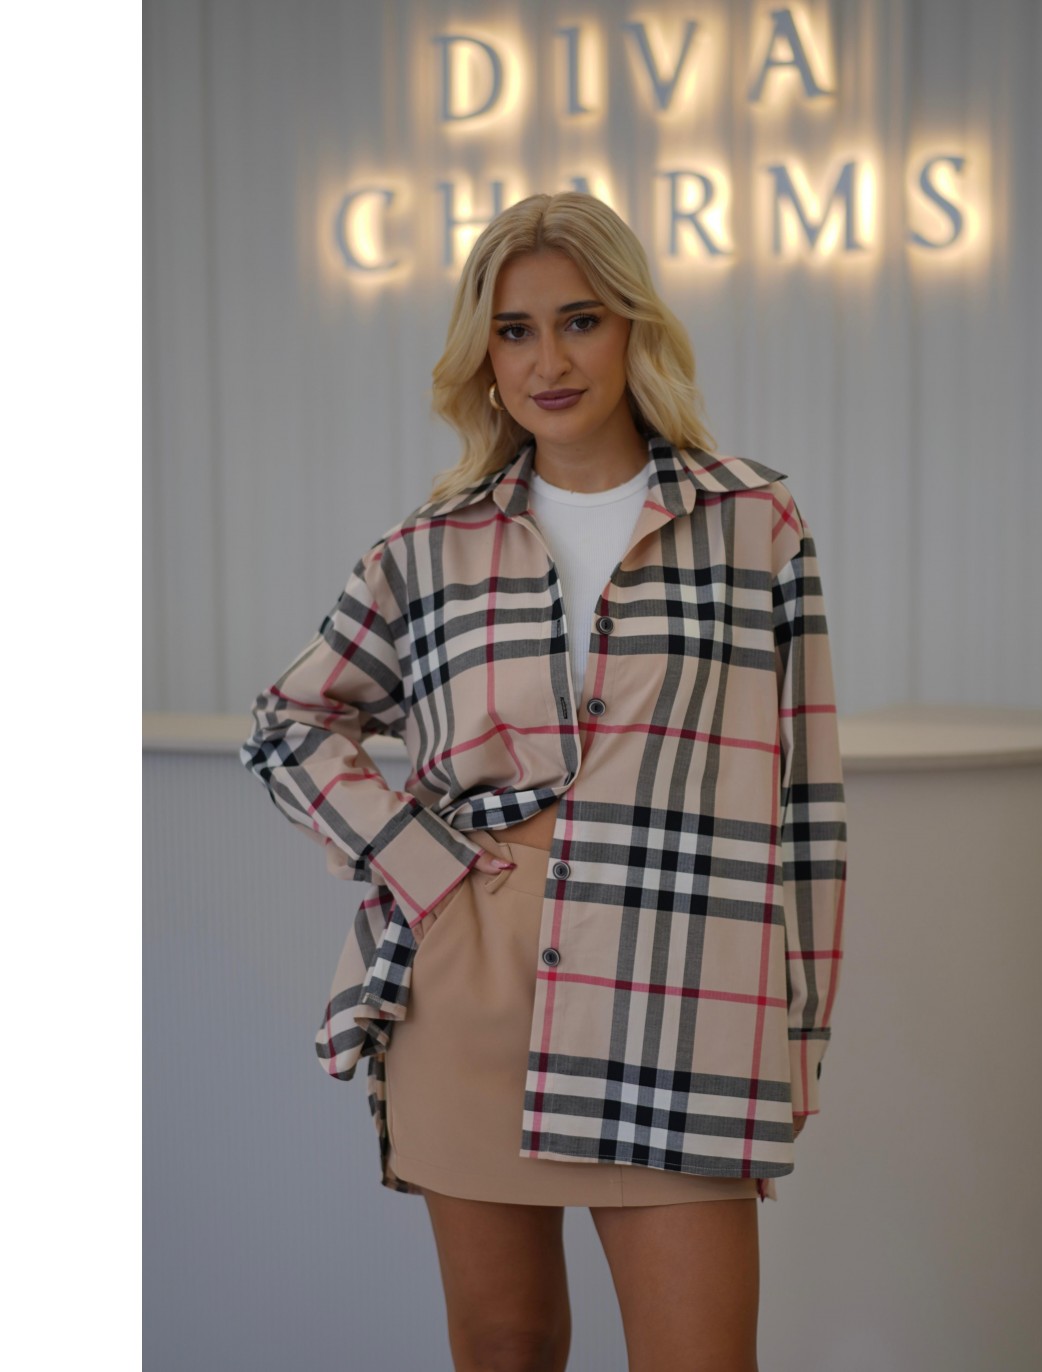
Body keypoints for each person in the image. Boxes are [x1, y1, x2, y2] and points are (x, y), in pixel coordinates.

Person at [240, 190, 847, 1372]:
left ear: (633, 328)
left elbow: (807, 802)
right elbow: (289, 720)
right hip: (474, 985)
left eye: (579, 320)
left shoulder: (752, 522)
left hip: (684, 984)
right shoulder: (430, 549)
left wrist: (801, 1031)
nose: (548, 361)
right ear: (483, 355)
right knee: (507, 1346)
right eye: (514, 331)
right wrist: (424, 868)